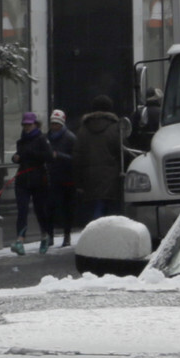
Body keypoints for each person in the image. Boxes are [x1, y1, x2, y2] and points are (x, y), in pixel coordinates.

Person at [74, 94, 126, 223]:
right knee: (110, 211)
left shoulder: (83, 129)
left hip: (89, 177)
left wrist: (78, 181)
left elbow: (77, 156)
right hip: (111, 178)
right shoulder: (115, 128)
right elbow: (123, 151)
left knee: (95, 209)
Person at [10, 111, 52, 254]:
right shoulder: (21, 141)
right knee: (22, 210)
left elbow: (48, 156)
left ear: (35, 124)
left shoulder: (42, 139)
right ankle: (20, 241)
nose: (27, 127)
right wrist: (16, 158)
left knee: (40, 210)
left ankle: (44, 236)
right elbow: (21, 157)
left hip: (39, 180)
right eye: (25, 124)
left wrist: (30, 154)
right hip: (22, 181)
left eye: (29, 124)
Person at [46, 108, 77, 246]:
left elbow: (75, 158)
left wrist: (59, 156)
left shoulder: (70, 138)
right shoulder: (46, 138)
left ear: (62, 124)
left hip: (67, 178)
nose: (54, 126)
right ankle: (50, 236)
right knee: (50, 207)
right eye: (52, 123)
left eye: (57, 123)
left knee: (66, 208)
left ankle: (67, 235)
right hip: (51, 177)